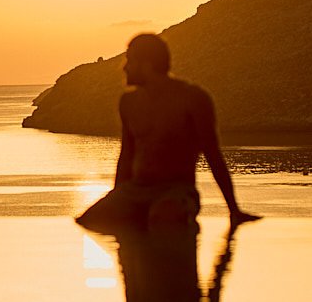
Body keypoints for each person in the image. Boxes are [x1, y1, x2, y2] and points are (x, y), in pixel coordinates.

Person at [76, 32, 259, 235]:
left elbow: (213, 154)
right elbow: (127, 155)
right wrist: (117, 196)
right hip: (135, 190)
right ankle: (129, 261)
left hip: (176, 191)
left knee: (163, 218)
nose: (125, 67)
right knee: (90, 220)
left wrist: (233, 209)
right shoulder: (128, 103)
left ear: (147, 64)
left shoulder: (192, 99)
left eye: (130, 60)